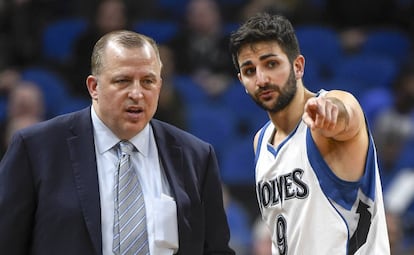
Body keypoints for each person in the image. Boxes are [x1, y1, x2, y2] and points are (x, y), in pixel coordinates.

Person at [0, 30, 235, 255]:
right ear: (94, 87)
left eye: (148, 81)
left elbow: (215, 249)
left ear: (160, 86)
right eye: (123, 81)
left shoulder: (196, 156)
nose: (137, 93)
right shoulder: (36, 149)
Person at [229, 13, 390, 254]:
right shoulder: (260, 142)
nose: (261, 79)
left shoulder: (332, 111)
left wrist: (332, 113)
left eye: (271, 64)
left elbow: (345, 113)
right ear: (242, 80)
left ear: (298, 66)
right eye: (250, 70)